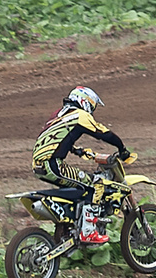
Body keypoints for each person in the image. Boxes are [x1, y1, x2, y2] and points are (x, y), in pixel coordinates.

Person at [32, 85, 134, 246]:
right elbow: (104, 133)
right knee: (95, 184)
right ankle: (89, 232)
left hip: (39, 165)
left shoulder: (59, 115)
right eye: (92, 106)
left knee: (78, 189)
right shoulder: (79, 115)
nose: (92, 111)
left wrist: (76, 150)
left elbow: (57, 138)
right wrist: (122, 149)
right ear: (85, 102)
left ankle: (68, 227)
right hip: (52, 164)